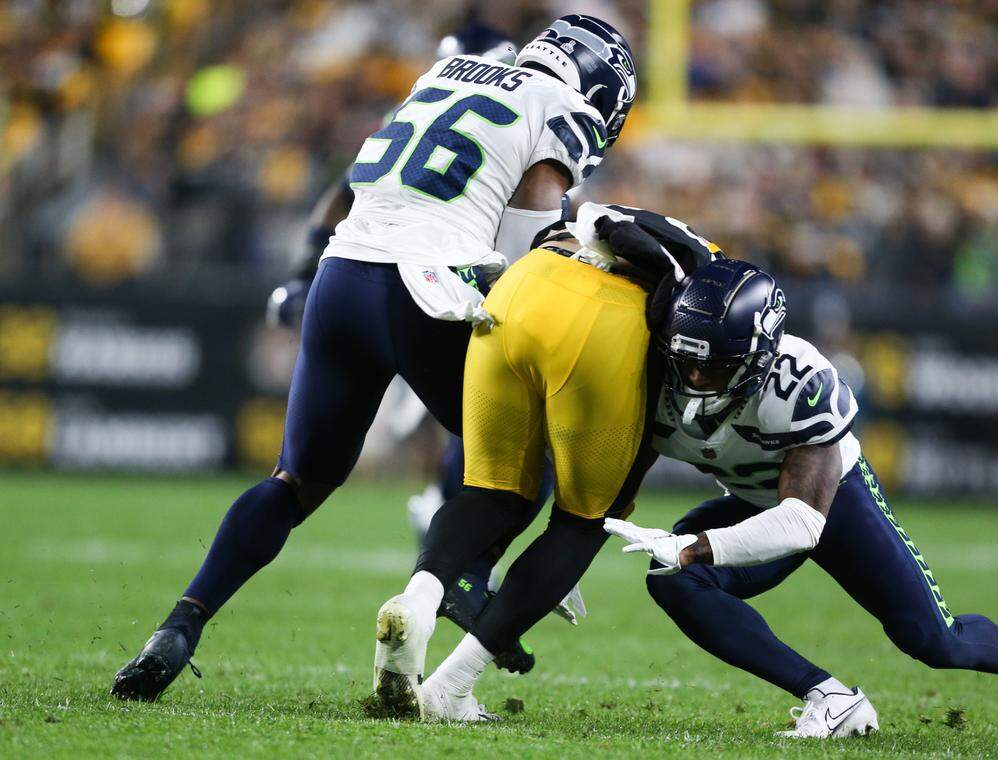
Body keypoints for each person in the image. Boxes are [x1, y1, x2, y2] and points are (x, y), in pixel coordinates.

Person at [111, 13, 635, 702]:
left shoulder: (443, 74)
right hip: (429, 287)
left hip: (343, 275)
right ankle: (452, 585)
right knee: (522, 463)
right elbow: (524, 248)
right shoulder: (560, 107)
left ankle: (181, 623)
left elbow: (361, 180)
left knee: (296, 481)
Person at [603, 258, 998, 742]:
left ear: (757, 357)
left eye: (715, 366)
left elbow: (802, 523)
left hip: (833, 504)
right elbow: (614, 478)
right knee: (673, 579)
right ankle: (829, 697)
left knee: (933, 641)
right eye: (687, 362)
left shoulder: (800, 382)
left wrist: (692, 547)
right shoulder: (657, 376)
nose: (696, 378)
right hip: (753, 500)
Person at [267, 21, 560, 677]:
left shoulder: (430, 102)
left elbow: (342, 193)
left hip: (372, 280)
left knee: (316, 469)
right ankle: (461, 559)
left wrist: (304, 271)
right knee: (511, 432)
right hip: (443, 289)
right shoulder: (527, 117)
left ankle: (448, 527)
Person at [371, 202, 721, 722]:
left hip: (519, 289)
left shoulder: (631, 222)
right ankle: (450, 688)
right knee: (584, 522)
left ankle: (417, 603)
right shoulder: (717, 281)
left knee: (490, 492)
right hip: (606, 318)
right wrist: (568, 552)